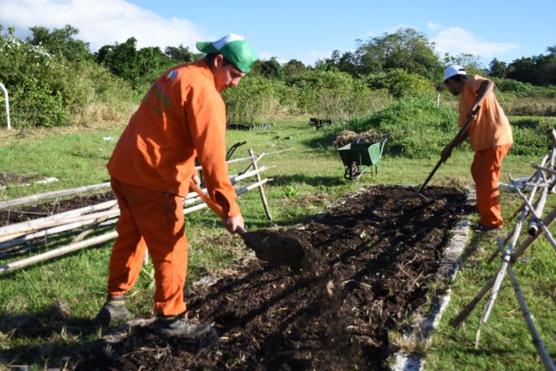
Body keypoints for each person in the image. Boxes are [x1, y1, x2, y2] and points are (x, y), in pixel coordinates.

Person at [94, 34, 257, 338]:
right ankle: (171, 319)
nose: (235, 83)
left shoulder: (176, 74)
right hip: (154, 181)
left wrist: (185, 167)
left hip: (126, 169)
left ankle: (115, 303)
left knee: (131, 237)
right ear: (219, 60)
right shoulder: (206, 93)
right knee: (171, 247)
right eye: (234, 74)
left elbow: (163, 126)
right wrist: (230, 208)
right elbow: (214, 160)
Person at [441, 65, 513, 231]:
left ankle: (492, 222)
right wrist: (449, 147)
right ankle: (484, 206)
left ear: (453, 80)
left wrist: (476, 105)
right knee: (477, 171)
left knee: (486, 179)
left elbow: (488, 84)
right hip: (484, 143)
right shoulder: (463, 100)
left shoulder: (471, 83)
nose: (448, 88)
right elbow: (465, 131)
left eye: (447, 84)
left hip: (495, 139)